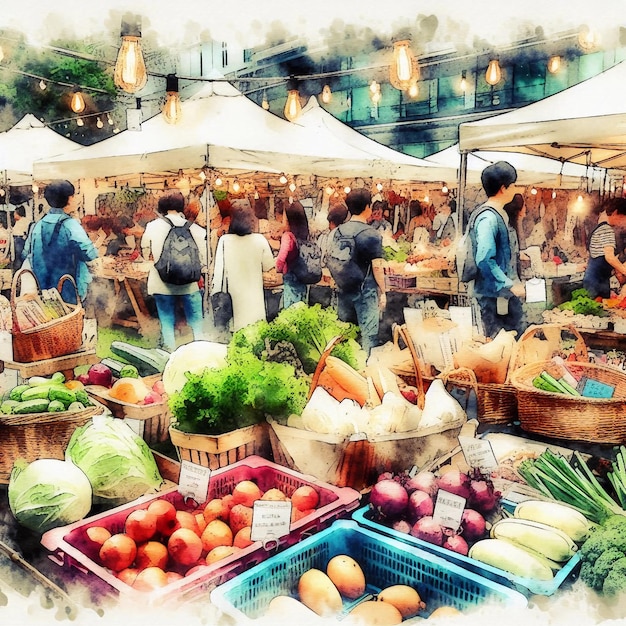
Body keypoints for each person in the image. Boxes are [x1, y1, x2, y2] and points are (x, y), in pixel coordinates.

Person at [141, 191, 208, 351]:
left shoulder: (152, 226)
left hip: (161, 283)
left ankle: (170, 352)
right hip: (189, 284)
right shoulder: (197, 229)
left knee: (166, 320)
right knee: (196, 322)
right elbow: (204, 258)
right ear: (181, 206)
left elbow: (145, 252)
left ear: (162, 207)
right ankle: (200, 351)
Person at [470, 161, 526, 339]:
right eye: (514, 184)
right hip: (492, 299)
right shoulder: (488, 218)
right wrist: (509, 284)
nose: (516, 189)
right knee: (499, 348)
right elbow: (484, 259)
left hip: (501, 297)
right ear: (504, 188)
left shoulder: (497, 214)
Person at [22, 180, 98, 305]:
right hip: (68, 289)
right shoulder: (70, 225)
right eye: (73, 196)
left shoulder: (37, 225)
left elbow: (26, 253)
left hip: (43, 289)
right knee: (70, 320)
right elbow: (90, 253)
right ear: (69, 199)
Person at [333, 188, 386, 356]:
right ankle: (365, 374)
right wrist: (383, 292)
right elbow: (377, 267)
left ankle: (346, 371)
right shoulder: (371, 234)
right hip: (365, 292)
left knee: (345, 335)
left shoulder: (337, 232)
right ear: (368, 207)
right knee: (368, 336)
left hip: (342, 290)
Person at [210, 204, 275, 332]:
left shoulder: (224, 240)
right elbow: (269, 266)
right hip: (255, 300)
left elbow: (218, 272)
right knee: (256, 335)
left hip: (232, 300)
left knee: (236, 340)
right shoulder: (260, 240)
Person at [583, 197, 626, 299]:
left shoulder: (601, 227)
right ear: (615, 212)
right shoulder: (606, 230)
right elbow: (609, 257)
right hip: (596, 282)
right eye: (624, 217)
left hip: (596, 280)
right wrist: (624, 271)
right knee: (596, 312)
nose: (624, 222)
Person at [276, 201, 311, 309]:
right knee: (301, 310)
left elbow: (281, 259)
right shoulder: (305, 234)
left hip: (291, 279)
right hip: (303, 277)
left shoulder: (288, 236)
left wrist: (278, 269)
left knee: (290, 312)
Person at [12, 206, 30, 271]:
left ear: (18, 213)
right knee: (16, 256)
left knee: (19, 256)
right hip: (16, 239)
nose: (14, 215)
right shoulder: (17, 221)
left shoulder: (25, 221)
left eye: (15, 213)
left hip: (20, 240)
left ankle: (19, 270)